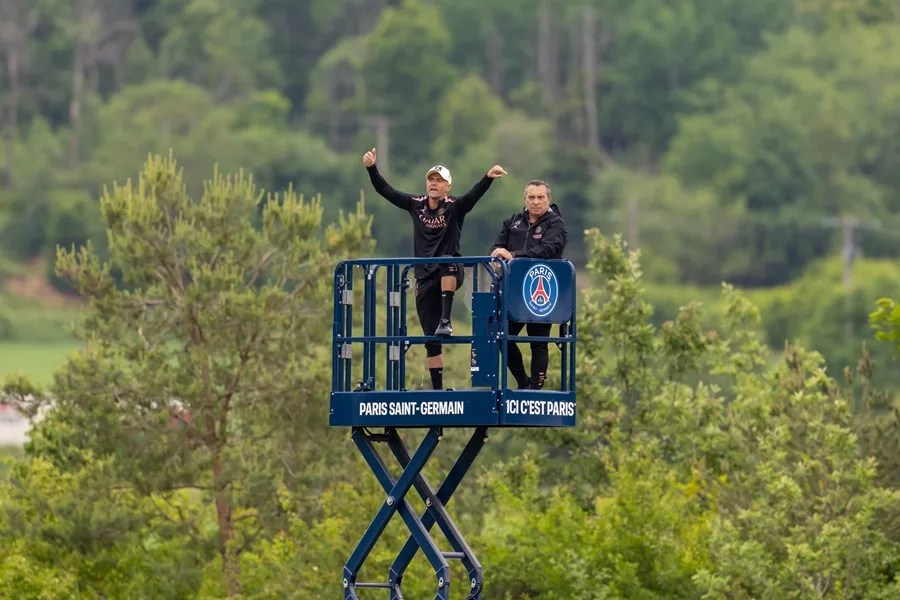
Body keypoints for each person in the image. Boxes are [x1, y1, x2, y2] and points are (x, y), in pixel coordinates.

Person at [362, 147, 507, 390]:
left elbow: (473, 196)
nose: (434, 184)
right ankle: (437, 389)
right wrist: (371, 168)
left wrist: (488, 178)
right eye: (431, 179)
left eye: (440, 181)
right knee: (431, 339)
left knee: (448, 263)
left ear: (448, 187)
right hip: (423, 275)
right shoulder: (415, 204)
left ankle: (446, 319)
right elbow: (385, 191)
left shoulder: (454, 206)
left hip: (451, 271)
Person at [490, 179, 567, 390]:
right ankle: (523, 382)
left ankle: (536, 386)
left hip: (542, 291)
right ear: (525, 199)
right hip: (513, 292)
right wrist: (497, 256)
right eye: (531, 197)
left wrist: (512, 255)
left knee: (538, 342)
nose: (536, 202)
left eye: (540, 197)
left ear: (548, 199)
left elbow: (547, 250)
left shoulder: (556, 223)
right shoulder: (513, 221)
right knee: (500, 336)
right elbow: (498, 246)